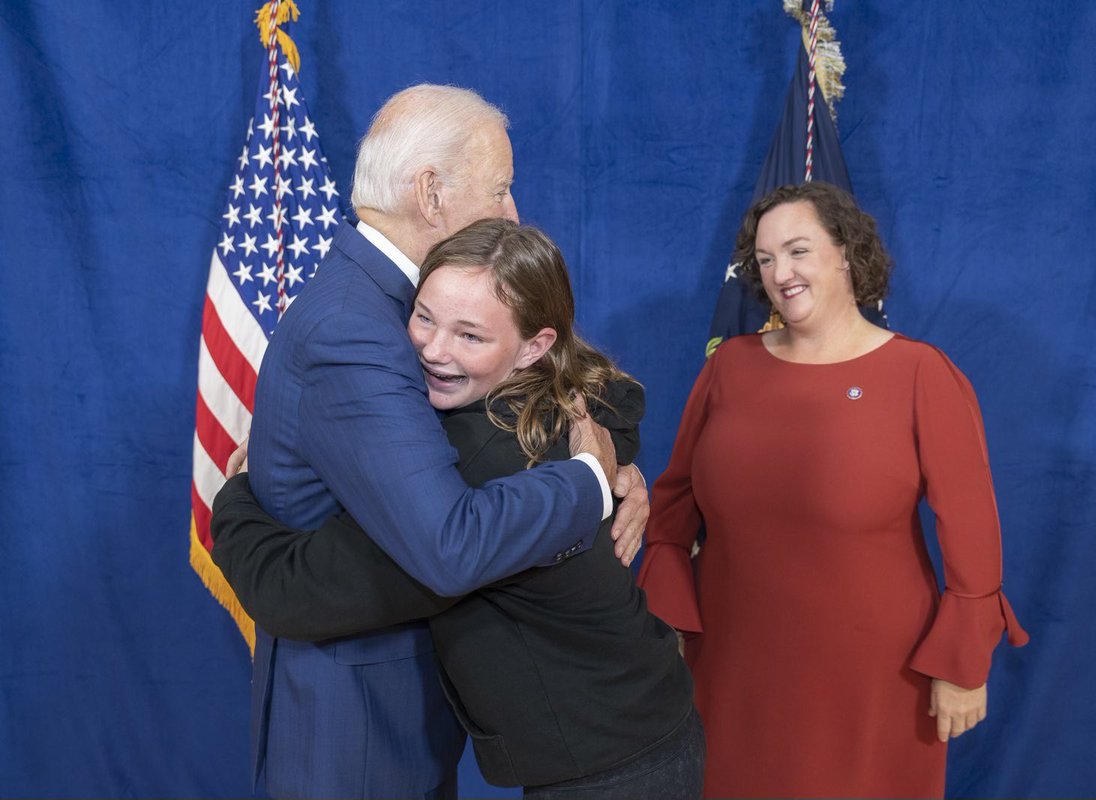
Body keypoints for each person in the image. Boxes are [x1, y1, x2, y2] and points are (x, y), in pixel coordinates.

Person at [241, 85, 648, 799]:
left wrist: (620, 470)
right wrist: (588, 481)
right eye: (500, 188)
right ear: (431, 194)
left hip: (404, 693)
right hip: (356, 715)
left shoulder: (405, 303)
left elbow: (578, 384)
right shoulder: (356, 327)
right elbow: (447, 545)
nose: (512, 211)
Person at [212, 219, 703, 799]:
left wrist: (234, 496)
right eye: (423, 317)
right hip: (642, 730)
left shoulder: (475, 465)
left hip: (614, 771)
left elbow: (292, 593)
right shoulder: (563, 404)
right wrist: (607, 471)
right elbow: (616, 398)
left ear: (534, 346)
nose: (432, 350)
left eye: (470, 336)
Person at [636, 182, 1029, 799]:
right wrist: (668, 616)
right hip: (732, 665)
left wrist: (962, 662)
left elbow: (973, 532)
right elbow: (674, 503)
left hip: (876, 674)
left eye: (797, 251)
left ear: (846, 251)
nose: (779, 273)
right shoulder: (728, 367)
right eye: (764, 260)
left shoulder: (921, 373)